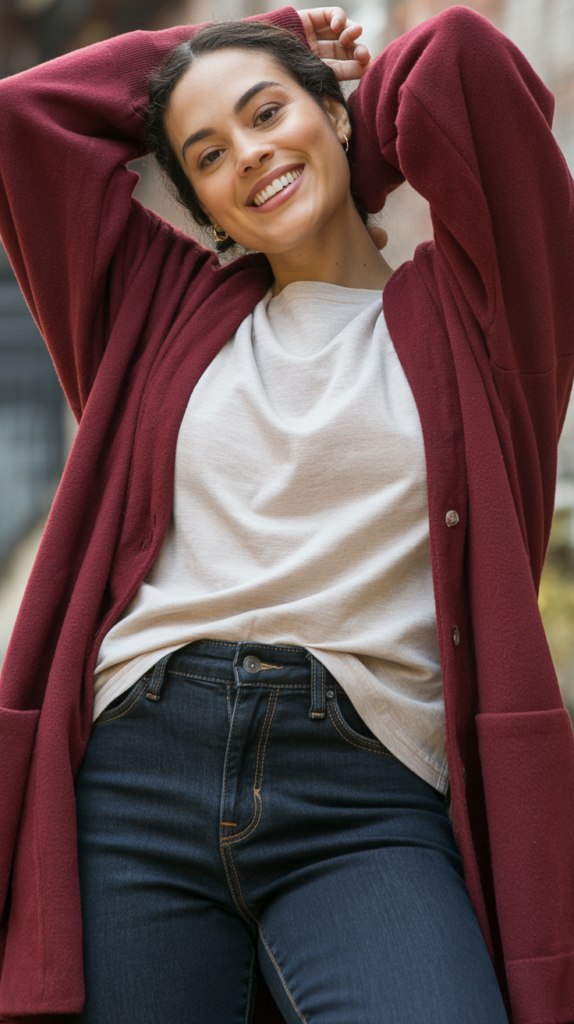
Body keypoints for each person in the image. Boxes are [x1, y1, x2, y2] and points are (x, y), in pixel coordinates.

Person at [0, 4, 573, 1023]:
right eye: (208, 154)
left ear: (339, 114)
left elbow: (469, 67)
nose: (250, 154)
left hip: (366, 791)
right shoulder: (154, 311)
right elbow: (23, 119)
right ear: (203, 203)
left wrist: (306, 78)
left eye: (269, 113)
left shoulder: (478, 318)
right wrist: (237, 45)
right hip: (137, 777)